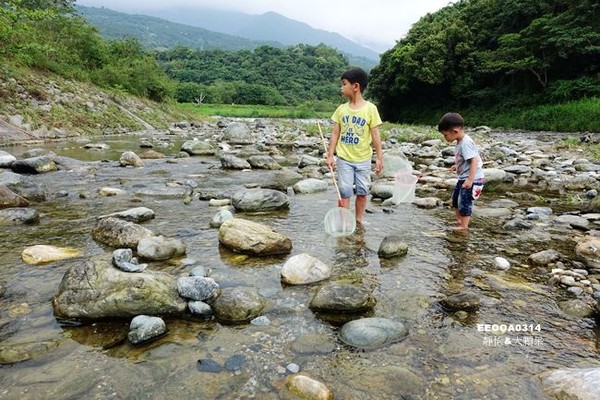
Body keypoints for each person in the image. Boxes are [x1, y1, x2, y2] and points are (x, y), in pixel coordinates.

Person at [326, 67, 383, 226]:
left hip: (363, 159)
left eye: (344, 84)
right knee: (344, 192)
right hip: (344, 158)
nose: (341, 88)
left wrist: (379, 157)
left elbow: (375, 135)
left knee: (362, 192)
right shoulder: (341, 110)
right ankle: (345, 221)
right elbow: (335, 133)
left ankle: (358, 220)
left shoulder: (370, 109)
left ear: (356, 86)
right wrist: (330, 155)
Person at [437, 112, 484, 230]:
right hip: (464, 177)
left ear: (455, 131)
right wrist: (457, 166)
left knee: (465, 202)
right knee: (455, 200)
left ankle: (464, 226)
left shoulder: (465, 143)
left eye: (445, 135)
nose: (445, 138)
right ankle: (459, 222)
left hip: (472, 179)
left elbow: (474, 161)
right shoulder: (460, 141)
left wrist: (470, 180)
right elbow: (465, 159)